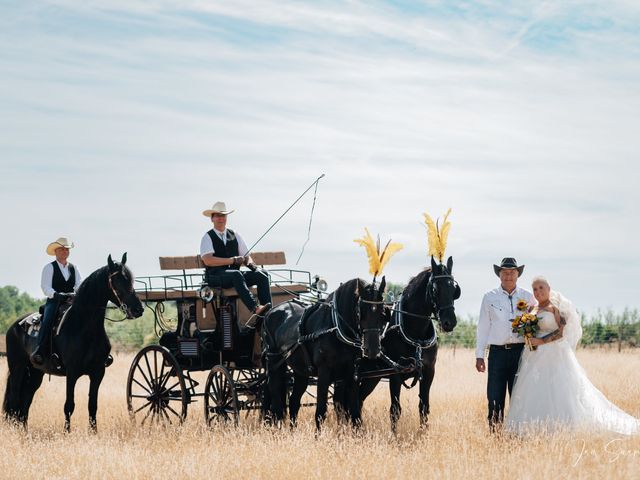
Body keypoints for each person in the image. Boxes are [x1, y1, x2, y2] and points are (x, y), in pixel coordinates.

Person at [505, 276, 640, 435]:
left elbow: (561, 333)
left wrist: (541, 341)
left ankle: (561, 427)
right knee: (533, 389)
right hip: (533, 356)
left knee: (557, 388)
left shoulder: (554, 308)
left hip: (553, 353)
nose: (538, 291)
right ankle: (531, 429)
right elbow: (530, 328)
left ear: (549, 289)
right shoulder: (531, 310)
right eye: (535, 289)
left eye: (541, 288)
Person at [475, 257, 535, 431]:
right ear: (499, 275)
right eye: (505, 272)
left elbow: (536, 322)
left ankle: (519, 434)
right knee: (494, 397)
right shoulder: (489, 297)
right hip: (497, 354)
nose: (508, 276)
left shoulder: (528, 297)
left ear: (518, 275)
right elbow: (483, 327)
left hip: (521, 354)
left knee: (519, 397)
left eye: (512, 272)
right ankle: (496, 434)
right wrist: (480, 355)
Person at [200, 201, 271, 321]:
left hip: (234, 277)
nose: (221, 218)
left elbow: (246, 255)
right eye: (217, 216)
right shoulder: (207, 237)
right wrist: (232, 260)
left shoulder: (235, 235)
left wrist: (252, 265)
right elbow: (208, 260)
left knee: (262, 274)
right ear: (212, 219)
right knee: (236, 274)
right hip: (215, 276)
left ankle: (268, 312)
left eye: (223, 215)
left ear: (226, 218)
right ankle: (255, 308)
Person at [31, 237, 82, 366]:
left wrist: (76, 294)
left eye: (67, 249)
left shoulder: (74, 268)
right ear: (56, 252)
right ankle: (40, 350)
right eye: (62, 249)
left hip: (71, 301)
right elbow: (45, 287)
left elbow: (79, 284)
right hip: (55, 302)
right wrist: (56, 295)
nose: (65, 251)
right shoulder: (49, 267)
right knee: (48, 320)